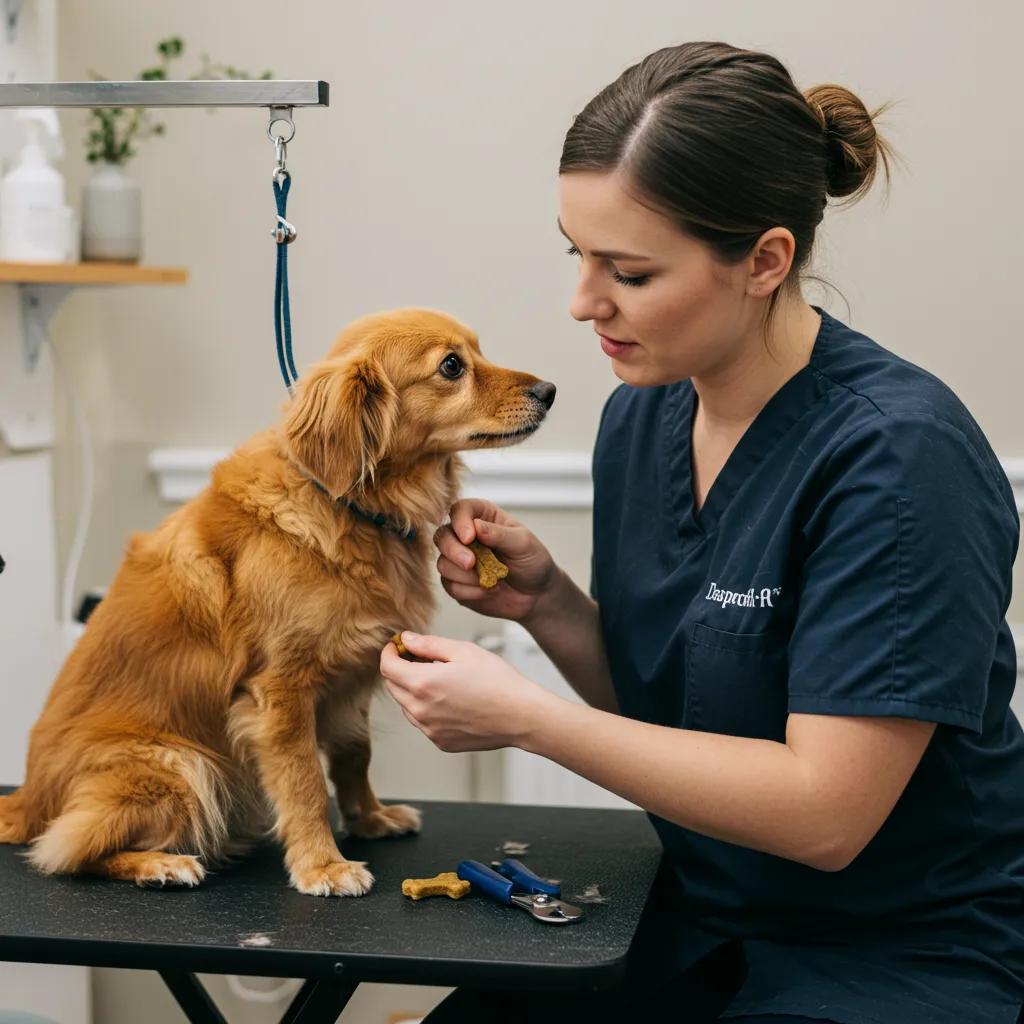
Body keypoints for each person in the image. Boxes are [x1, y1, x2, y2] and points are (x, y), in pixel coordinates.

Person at [378, 40, 1024, 1024]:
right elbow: (676, 705)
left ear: (764, 260)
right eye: (576, 252)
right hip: (698, 918)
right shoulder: (643, 415)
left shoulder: (899, 460)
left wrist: (528, 719)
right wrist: (550, 606)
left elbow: (824, 815)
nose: (583, 301)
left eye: (628, 271)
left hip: (902, 954)